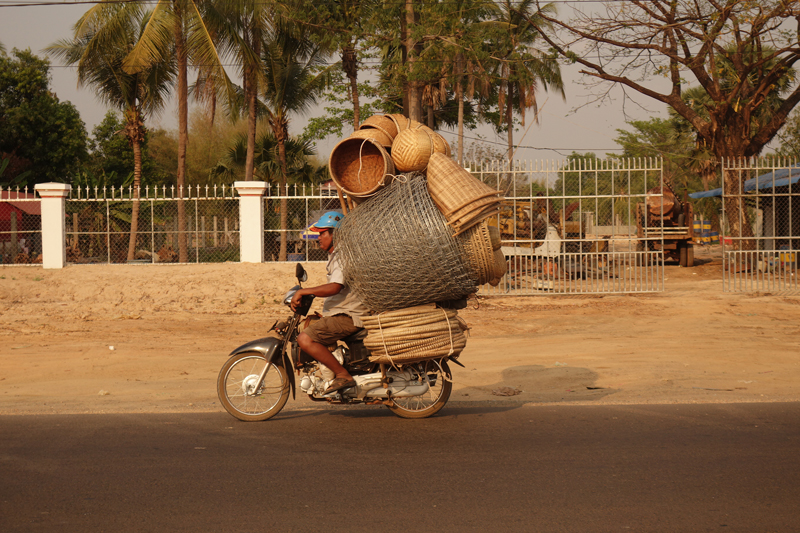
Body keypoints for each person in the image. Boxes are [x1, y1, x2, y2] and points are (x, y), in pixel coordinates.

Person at [290, 211, 368, 395]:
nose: (319, 238)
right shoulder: (336, 255)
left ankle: (343, 375)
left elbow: (335, 287)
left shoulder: (343, 255)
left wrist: (304, 291)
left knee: (305, 338)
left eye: (322, 233)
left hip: (348, 316)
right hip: (343, 312)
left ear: (337, 234)